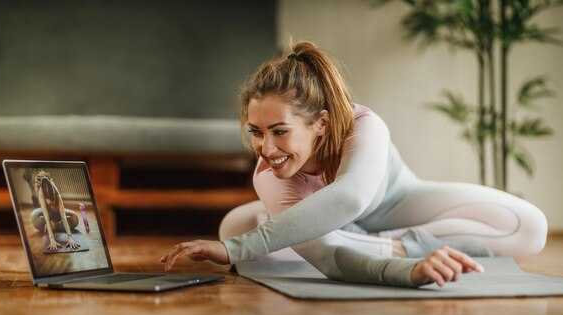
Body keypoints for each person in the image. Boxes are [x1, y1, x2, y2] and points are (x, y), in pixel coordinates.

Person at [160, 41, 548, 288]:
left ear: (321, 124)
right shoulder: (269, 177)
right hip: (334, 232)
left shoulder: (363, 125)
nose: (265, 148)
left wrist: (236, 249)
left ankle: (393, 243)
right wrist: (408, 271)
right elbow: (329, 259)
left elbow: (349, 199)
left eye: (279, 131)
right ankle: (391, 248)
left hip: (398, 204)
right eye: (255, 132)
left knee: (530, 228)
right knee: (235, 223)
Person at [31, 170, 81, 252]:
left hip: (57, 211)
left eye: (53, 202)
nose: (52, 204)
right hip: (47, 212)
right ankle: (53, 226)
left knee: (75, 219)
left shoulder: (56, 193)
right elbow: (46, 218)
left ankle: (54, 226)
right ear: (45, 199)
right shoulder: (41, 193)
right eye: (50, 203)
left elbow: (63, 216)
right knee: (34, 216)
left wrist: (70, 237)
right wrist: (52, 239)